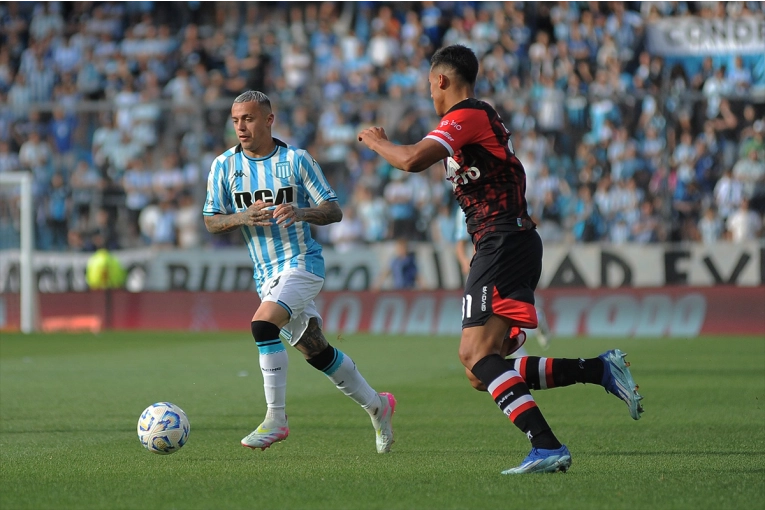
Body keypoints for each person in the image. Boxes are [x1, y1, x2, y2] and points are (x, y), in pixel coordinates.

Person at [358, 45, 643, 474]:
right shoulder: (469, 122)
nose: (430, 96)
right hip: (503, 241)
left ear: (440, 80)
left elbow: (412, 159)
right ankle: (598, 369)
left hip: (503, 240)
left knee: (475, 356)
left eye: (429, 86)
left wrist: (377, 142)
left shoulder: (467, 116)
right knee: (479, 371)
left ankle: (547, 446)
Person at [203, 90, 395, 453]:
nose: (241, 127)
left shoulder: (296, 160)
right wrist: (243, 217)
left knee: (262, 325)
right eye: (235, 120)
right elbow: (211, 222)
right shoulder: (223, 166)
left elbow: (333, 210)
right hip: (266, 275)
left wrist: (300, 212)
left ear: (269, 119)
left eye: (248, 119)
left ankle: (276, 420)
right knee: (316, 351)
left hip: (302, 264)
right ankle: (378, 405)